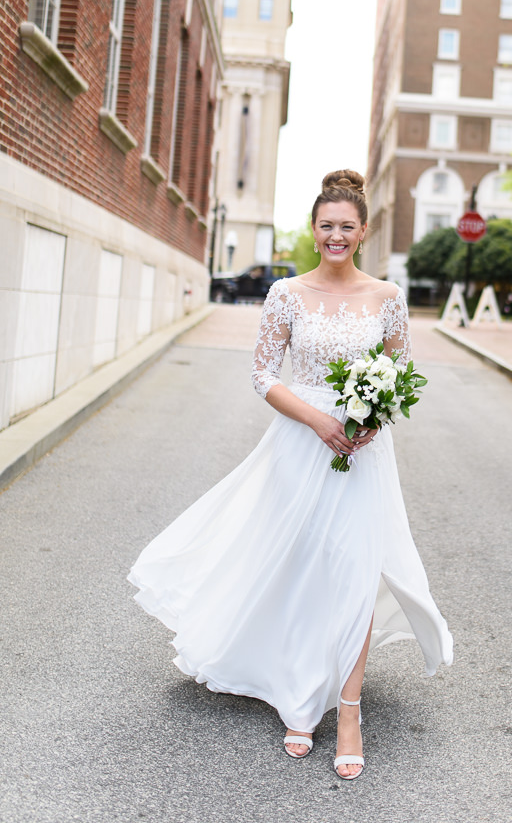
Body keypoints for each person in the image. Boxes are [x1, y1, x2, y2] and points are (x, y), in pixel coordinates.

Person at [128, 170, 453, 781]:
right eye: (326, 226)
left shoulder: (387, 297)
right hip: (299, 448)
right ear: (313, 230)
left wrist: (373, 422)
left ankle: (349, 709)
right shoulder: (286, 293)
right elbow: (263, 375)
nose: (336, 236)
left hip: (362, 454)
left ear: (363, 233)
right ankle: (300, 700)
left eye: (346, 228)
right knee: (303, 570)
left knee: (356, 570)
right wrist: (317, 422)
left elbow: (401, 371)